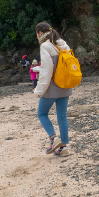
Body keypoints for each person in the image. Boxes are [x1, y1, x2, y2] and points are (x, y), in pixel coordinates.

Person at [34, 22, 73, 157]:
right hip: (65, 86)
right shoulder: (63, 45)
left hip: (52, 88)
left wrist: (39, 91)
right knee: (62, 117)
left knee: (42, 114)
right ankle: (64, 148)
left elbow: (47, 70)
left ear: (40, 33)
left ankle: (53, 139)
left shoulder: (45, 46)